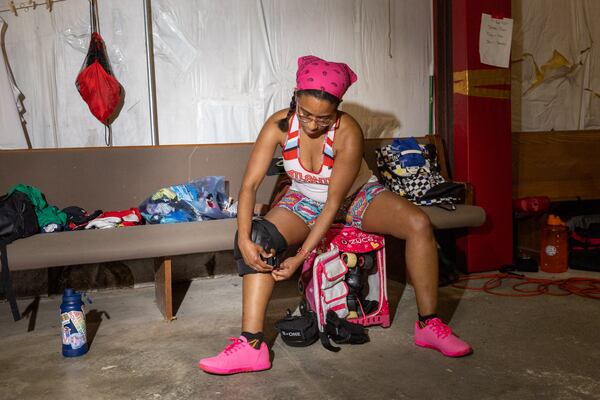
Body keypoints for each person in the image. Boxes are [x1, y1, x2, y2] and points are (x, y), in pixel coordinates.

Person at [198, 55, 471, 375]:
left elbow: (333, 205)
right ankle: (252, 346)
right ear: (295, 98)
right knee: (260, 235)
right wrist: (243, 238)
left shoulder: (348, 131)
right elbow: (249, 186)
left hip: (355, 197)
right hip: (303, 199)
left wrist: (299, 257)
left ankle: (429, 324)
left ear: (338, 107)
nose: (313, 125)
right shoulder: (277, 126)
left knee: (418, 223)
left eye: (324, 118)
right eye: (306, 114)